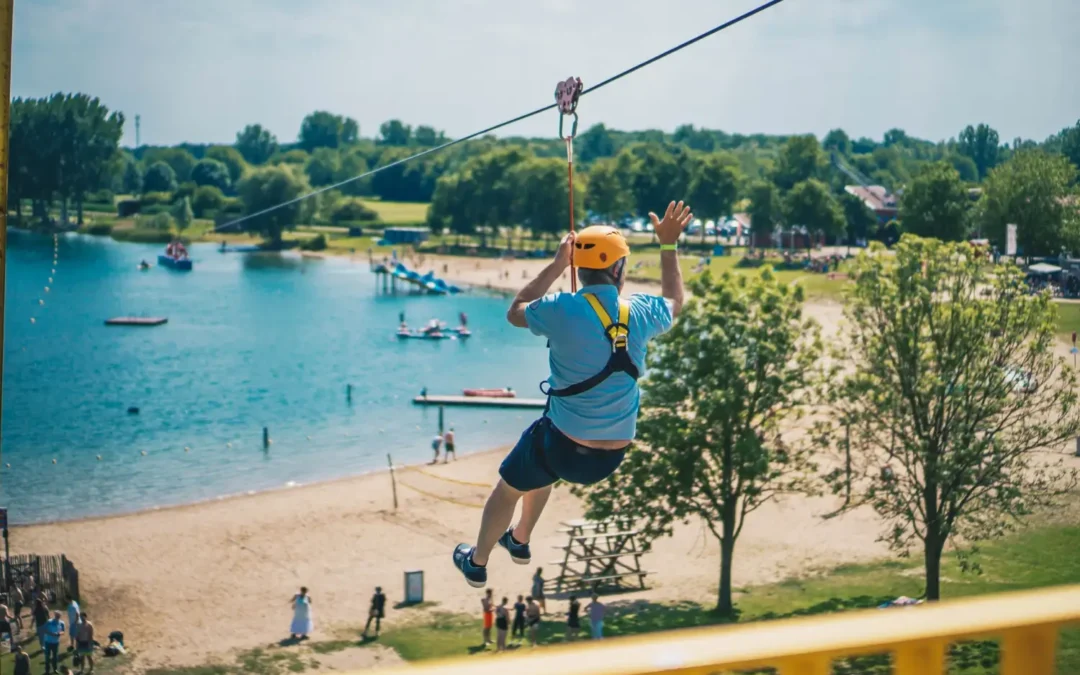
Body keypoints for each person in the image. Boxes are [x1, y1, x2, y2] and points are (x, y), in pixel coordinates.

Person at [452, 203, 691, 587]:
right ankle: (520, 539)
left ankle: (476, 564)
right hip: (611, 458)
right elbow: (676, 302)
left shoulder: (562, 307)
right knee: (540, 454)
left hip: (564, 449)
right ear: (619, 270)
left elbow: (515, 311)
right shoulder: (642, 311)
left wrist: (557, 265)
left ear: (580, 269)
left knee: (511, 485)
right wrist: (668, 245)